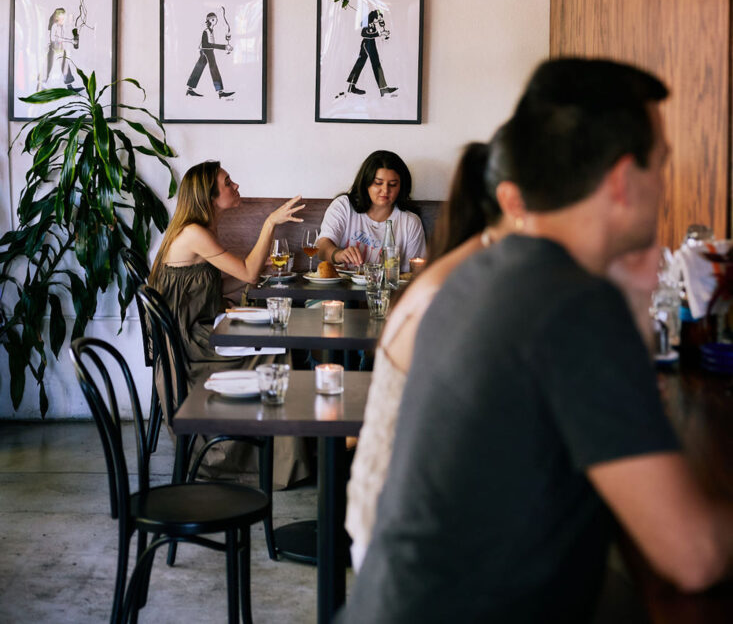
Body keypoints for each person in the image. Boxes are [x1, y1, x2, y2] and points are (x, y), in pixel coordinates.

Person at [343, 58, 733, 623]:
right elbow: (691, 553)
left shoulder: (478, 271)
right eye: (663, 165)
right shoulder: (571, 302)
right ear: (624, 179)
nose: (667, 182)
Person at [345, 132, 515, 572]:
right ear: (513, 202)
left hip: (396, 506)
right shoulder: (460, 284)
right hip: (404, 524)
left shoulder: (457, 268)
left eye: (393, 183)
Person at [149, 160, 308, 487]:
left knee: (276, 338)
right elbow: (247, 274)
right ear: (208, 196)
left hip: (198, 331)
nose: (235, 186)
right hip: (189, 344)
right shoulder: (194, 233)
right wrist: (269, 223)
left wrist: (255, 272)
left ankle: (285, 453)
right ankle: (275, 461)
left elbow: (219, 285)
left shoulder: (201, 230)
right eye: (228, 182)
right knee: (278, 351)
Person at [316, 150, 426, 271]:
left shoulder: (410, 222)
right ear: (365, 183)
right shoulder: (344, 206)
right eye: (378, 183)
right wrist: (338, 254)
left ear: (401, 186)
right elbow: (321, 248)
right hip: (342, 287)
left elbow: (411, 273)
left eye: (393, 184)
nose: (385, 190)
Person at [346, 9, 397, 97]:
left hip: (369, 43)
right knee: (376, 64)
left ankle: (351, 86)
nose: (380, 19)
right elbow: (364, 33)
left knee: (360, 64)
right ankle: (383, 88)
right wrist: (380, 33)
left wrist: (381, 30)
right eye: (379, 17)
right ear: (375, 17)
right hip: (368, 43)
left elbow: (372, 33)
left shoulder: (372, 23)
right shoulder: (368, 23)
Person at [186, 11, 234, 99]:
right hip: (207, 51)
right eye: (213, 19)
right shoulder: (206, 31)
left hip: (207, 51)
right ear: (209, 21)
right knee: (213, 69)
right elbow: (206, 44)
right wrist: (224, 47)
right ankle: (220, 91)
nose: (215, 21)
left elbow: (209, 44)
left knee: (199, 68)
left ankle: (190, 89)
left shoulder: (211, 31)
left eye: (215, 19)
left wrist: (225, 46)